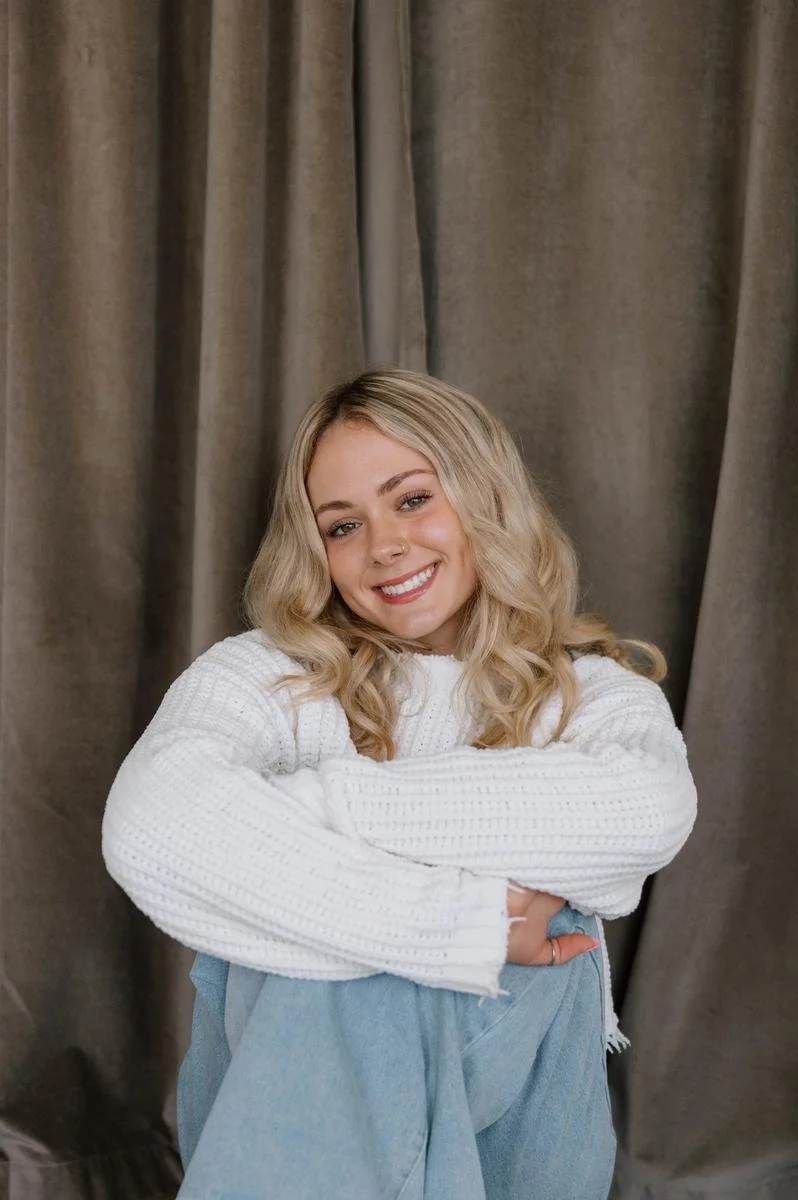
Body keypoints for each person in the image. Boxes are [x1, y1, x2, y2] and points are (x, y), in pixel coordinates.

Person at [102, 369, 697, 1199]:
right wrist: (461, 924)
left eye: (412, 499)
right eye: (343, 525)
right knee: (346, 983)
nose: (383, 546)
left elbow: (645, 809)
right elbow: (152, 826)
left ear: (483, 496)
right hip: (296, 1091)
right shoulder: (270, 675)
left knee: (324, 954)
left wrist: (315, 807)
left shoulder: (590, 693)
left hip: (514, 1119)